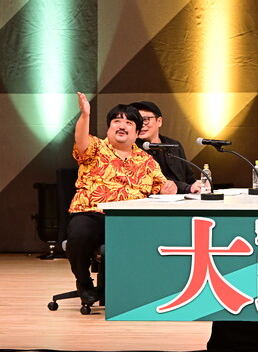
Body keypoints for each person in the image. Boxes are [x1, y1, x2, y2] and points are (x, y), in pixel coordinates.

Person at [66, 92, 176, 304]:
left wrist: (167, 188)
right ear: (109, 129)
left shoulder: (147, 161)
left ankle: (139, 288)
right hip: (92, 213)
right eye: (116, 121)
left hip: (129, 219)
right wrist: (85, 115)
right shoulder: (95, 149)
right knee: (80, 233)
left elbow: (162, 187)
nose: (122, 126)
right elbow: (80, 138)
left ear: (137, 132)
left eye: (128, 122)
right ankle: (84, 282)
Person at [130, 101, 201, 194]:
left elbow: (189, 178)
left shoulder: (173, 145)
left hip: (182, 199)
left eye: (145, 120)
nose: (141, 125)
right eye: (137, 121)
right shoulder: (132, 148)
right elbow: (154, 179)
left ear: (159, 121)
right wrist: (187, 188)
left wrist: (198, 185)